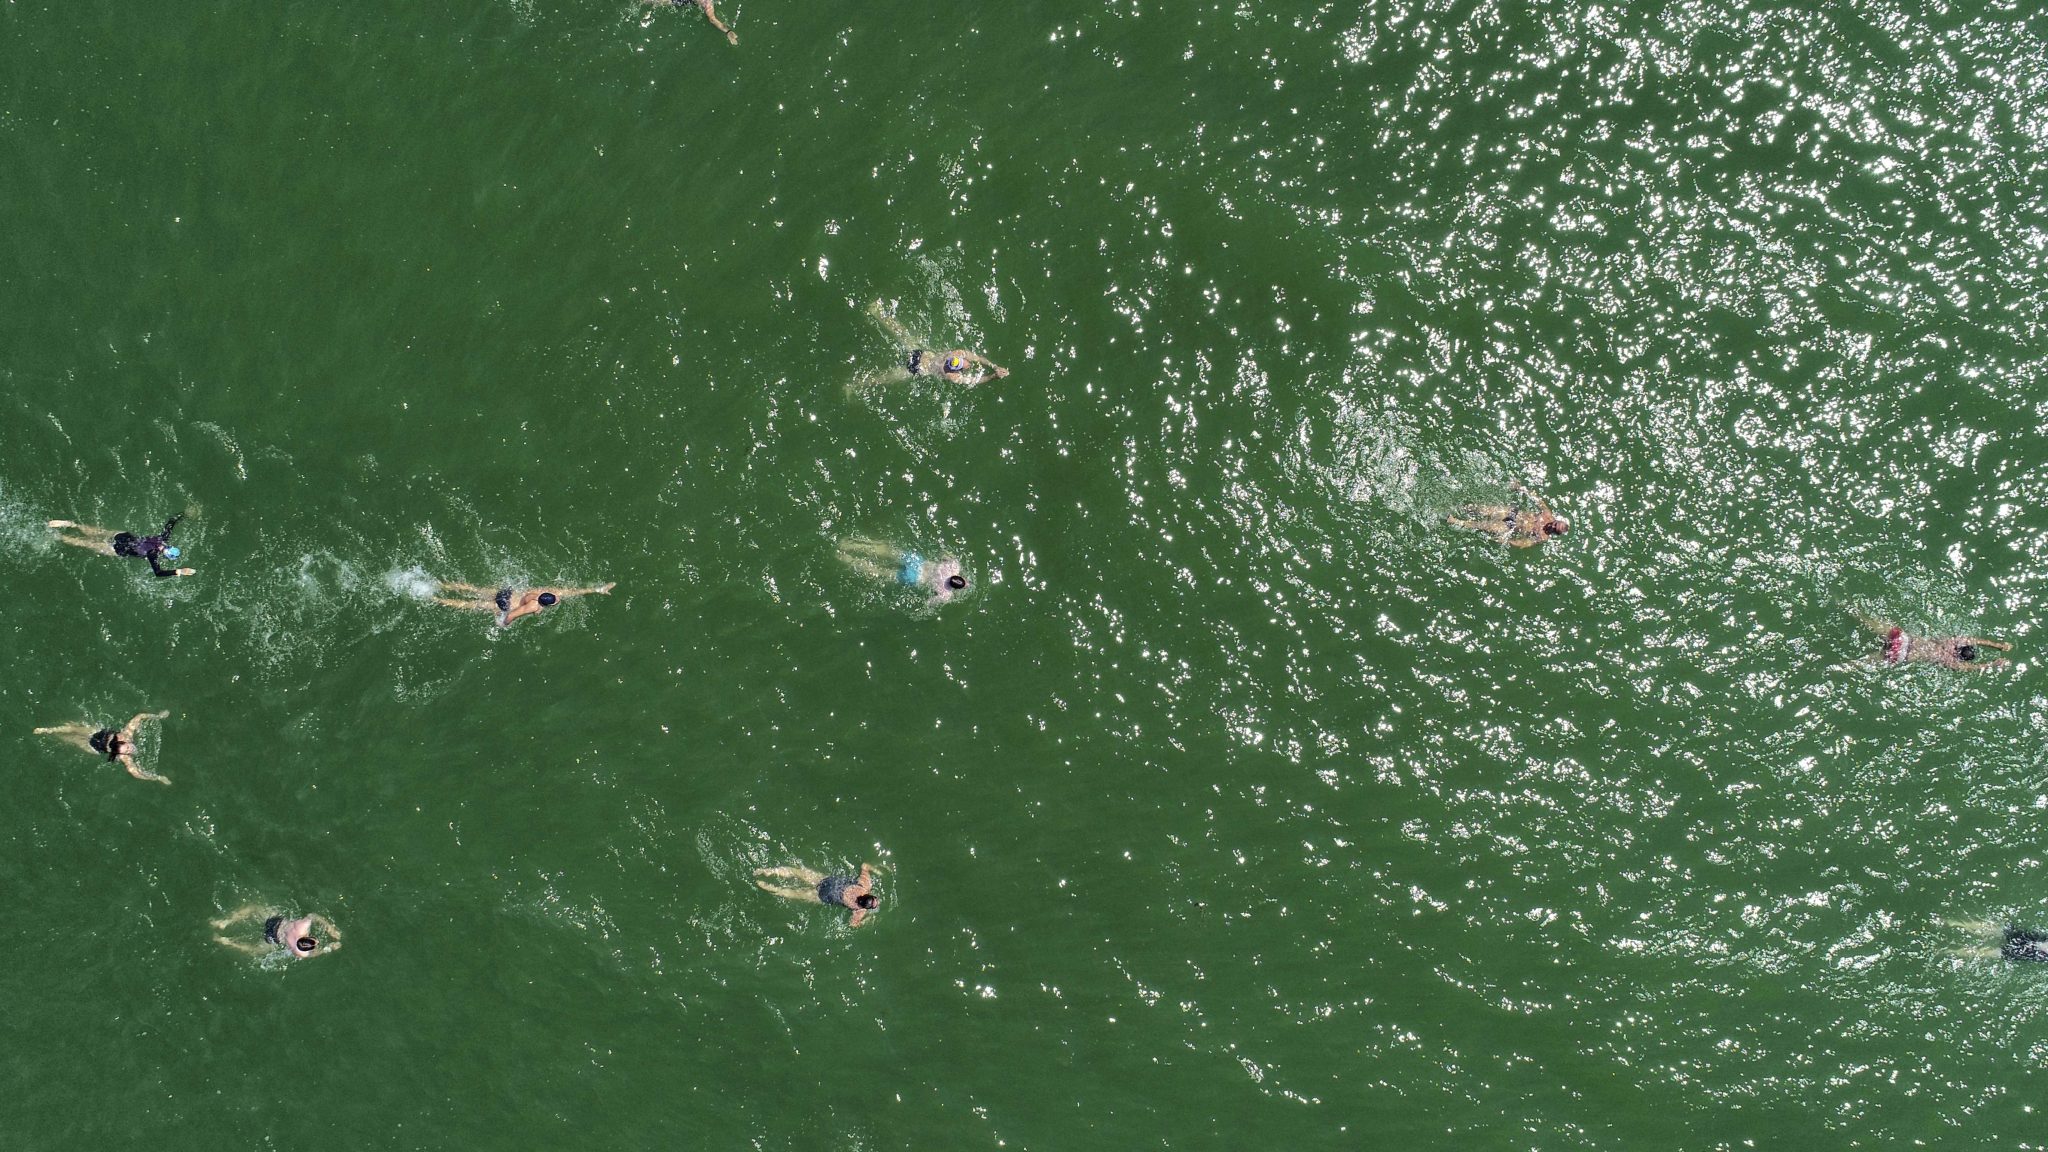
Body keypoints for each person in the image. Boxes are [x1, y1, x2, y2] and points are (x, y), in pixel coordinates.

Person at [859, 300, 1008, 388]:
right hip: (917, 369)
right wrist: (992, 376)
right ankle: (856, 385)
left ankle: (876, 312)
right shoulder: (952, 376)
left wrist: (994, 366)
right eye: (965, 364)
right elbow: (974, 380)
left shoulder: (955, 354)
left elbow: (979, 359)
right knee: (884, 378)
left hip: (920, 353)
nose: (967, 363)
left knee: (900, 332)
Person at [34, 711, 172, 785]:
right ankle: (48, 730)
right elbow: (140, 716)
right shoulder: (125, 738)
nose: (130, 749)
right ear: (123, 742)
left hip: (91, 746)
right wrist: (158, 717)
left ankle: (57, 735)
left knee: (71, 739)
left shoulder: (126, 748)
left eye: (128, 750)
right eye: (128, 748)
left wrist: (157, 778)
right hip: (95, 734)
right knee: (73, 728)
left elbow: (134, 773)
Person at [837, 536, 968, 608]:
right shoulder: (946, 594)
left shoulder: (954, 565)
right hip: (914, 577)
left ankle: (852, 545)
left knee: (886, 551)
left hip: (917, 562)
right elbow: (928, 603)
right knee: (879, 571)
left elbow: (943, 554)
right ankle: (846, 558)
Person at [47, 515, 196, 577]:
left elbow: (170, 522)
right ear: (166, 554)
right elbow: (158, 573)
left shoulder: (162, 538)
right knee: (85, 543)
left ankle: (71, 524)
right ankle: (59, 536)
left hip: (123, 536)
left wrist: (183, 515)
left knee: (98, 532)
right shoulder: (152, 554)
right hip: (117, 550)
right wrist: (179, 571)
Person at [432, 580, 616, 628]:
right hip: (504, 606)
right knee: (469, 605)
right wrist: (502, 623)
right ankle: (438, 600)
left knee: (474, 589)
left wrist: (597, 590)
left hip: (506, 593)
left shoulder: (544, 592)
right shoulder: (534, 607)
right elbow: (512, 614)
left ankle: (442, 586)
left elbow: (572, 592)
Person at [1859, 618, 2011, 671]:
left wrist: (1998, 645)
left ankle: (1848, 608)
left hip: (1905, 640)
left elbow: (1976, 640)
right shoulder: (1950, 661)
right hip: (1902, 655)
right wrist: (1993, 664)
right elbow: (1972, 668)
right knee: (1863, 662)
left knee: (1869, 622)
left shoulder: (1950, 642)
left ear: (1961, 646)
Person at [755, 863, 878, 926]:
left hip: (828, 881)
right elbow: (853, 924)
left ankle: (768, 871)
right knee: (793, 893)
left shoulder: (864, 886)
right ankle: (768, 887)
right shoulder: (859, 911)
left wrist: (874, 869)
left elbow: (864, 866)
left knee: (796, 872)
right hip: (824, 896)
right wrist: (867, 920)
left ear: (868, 895)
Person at [1447, 483, 1568, 547]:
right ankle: (1460, 507)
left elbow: (1525, 543)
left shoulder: (1543, 537)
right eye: (1554, 524)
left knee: (1483, 525)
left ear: (1554, 533)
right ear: (1555, 520)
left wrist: (1507, 541)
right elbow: (1537, 500)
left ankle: (1456, 521)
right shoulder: (1547, 514)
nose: (1551, 527)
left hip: (1510, 527)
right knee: (1483, 509)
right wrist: (1521, 488)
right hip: (1515, 514)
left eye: (1553, 529)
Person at [213, 904, 342, 960]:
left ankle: (224, 922)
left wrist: (329, 927)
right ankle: (226, 942)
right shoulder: (299, 953)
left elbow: (313, 916)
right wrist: (330, 947)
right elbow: (316, 953)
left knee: (254, 909)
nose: (317, 940)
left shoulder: (302, 926)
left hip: (276, 922)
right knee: (255, 950)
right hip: (273, 939)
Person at [645, 0, 736, 44]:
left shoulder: (708, 4)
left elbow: (713, 19)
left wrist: (728, 31)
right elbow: (712, 19)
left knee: (653, 1)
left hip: (684, 1)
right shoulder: (708, 3)